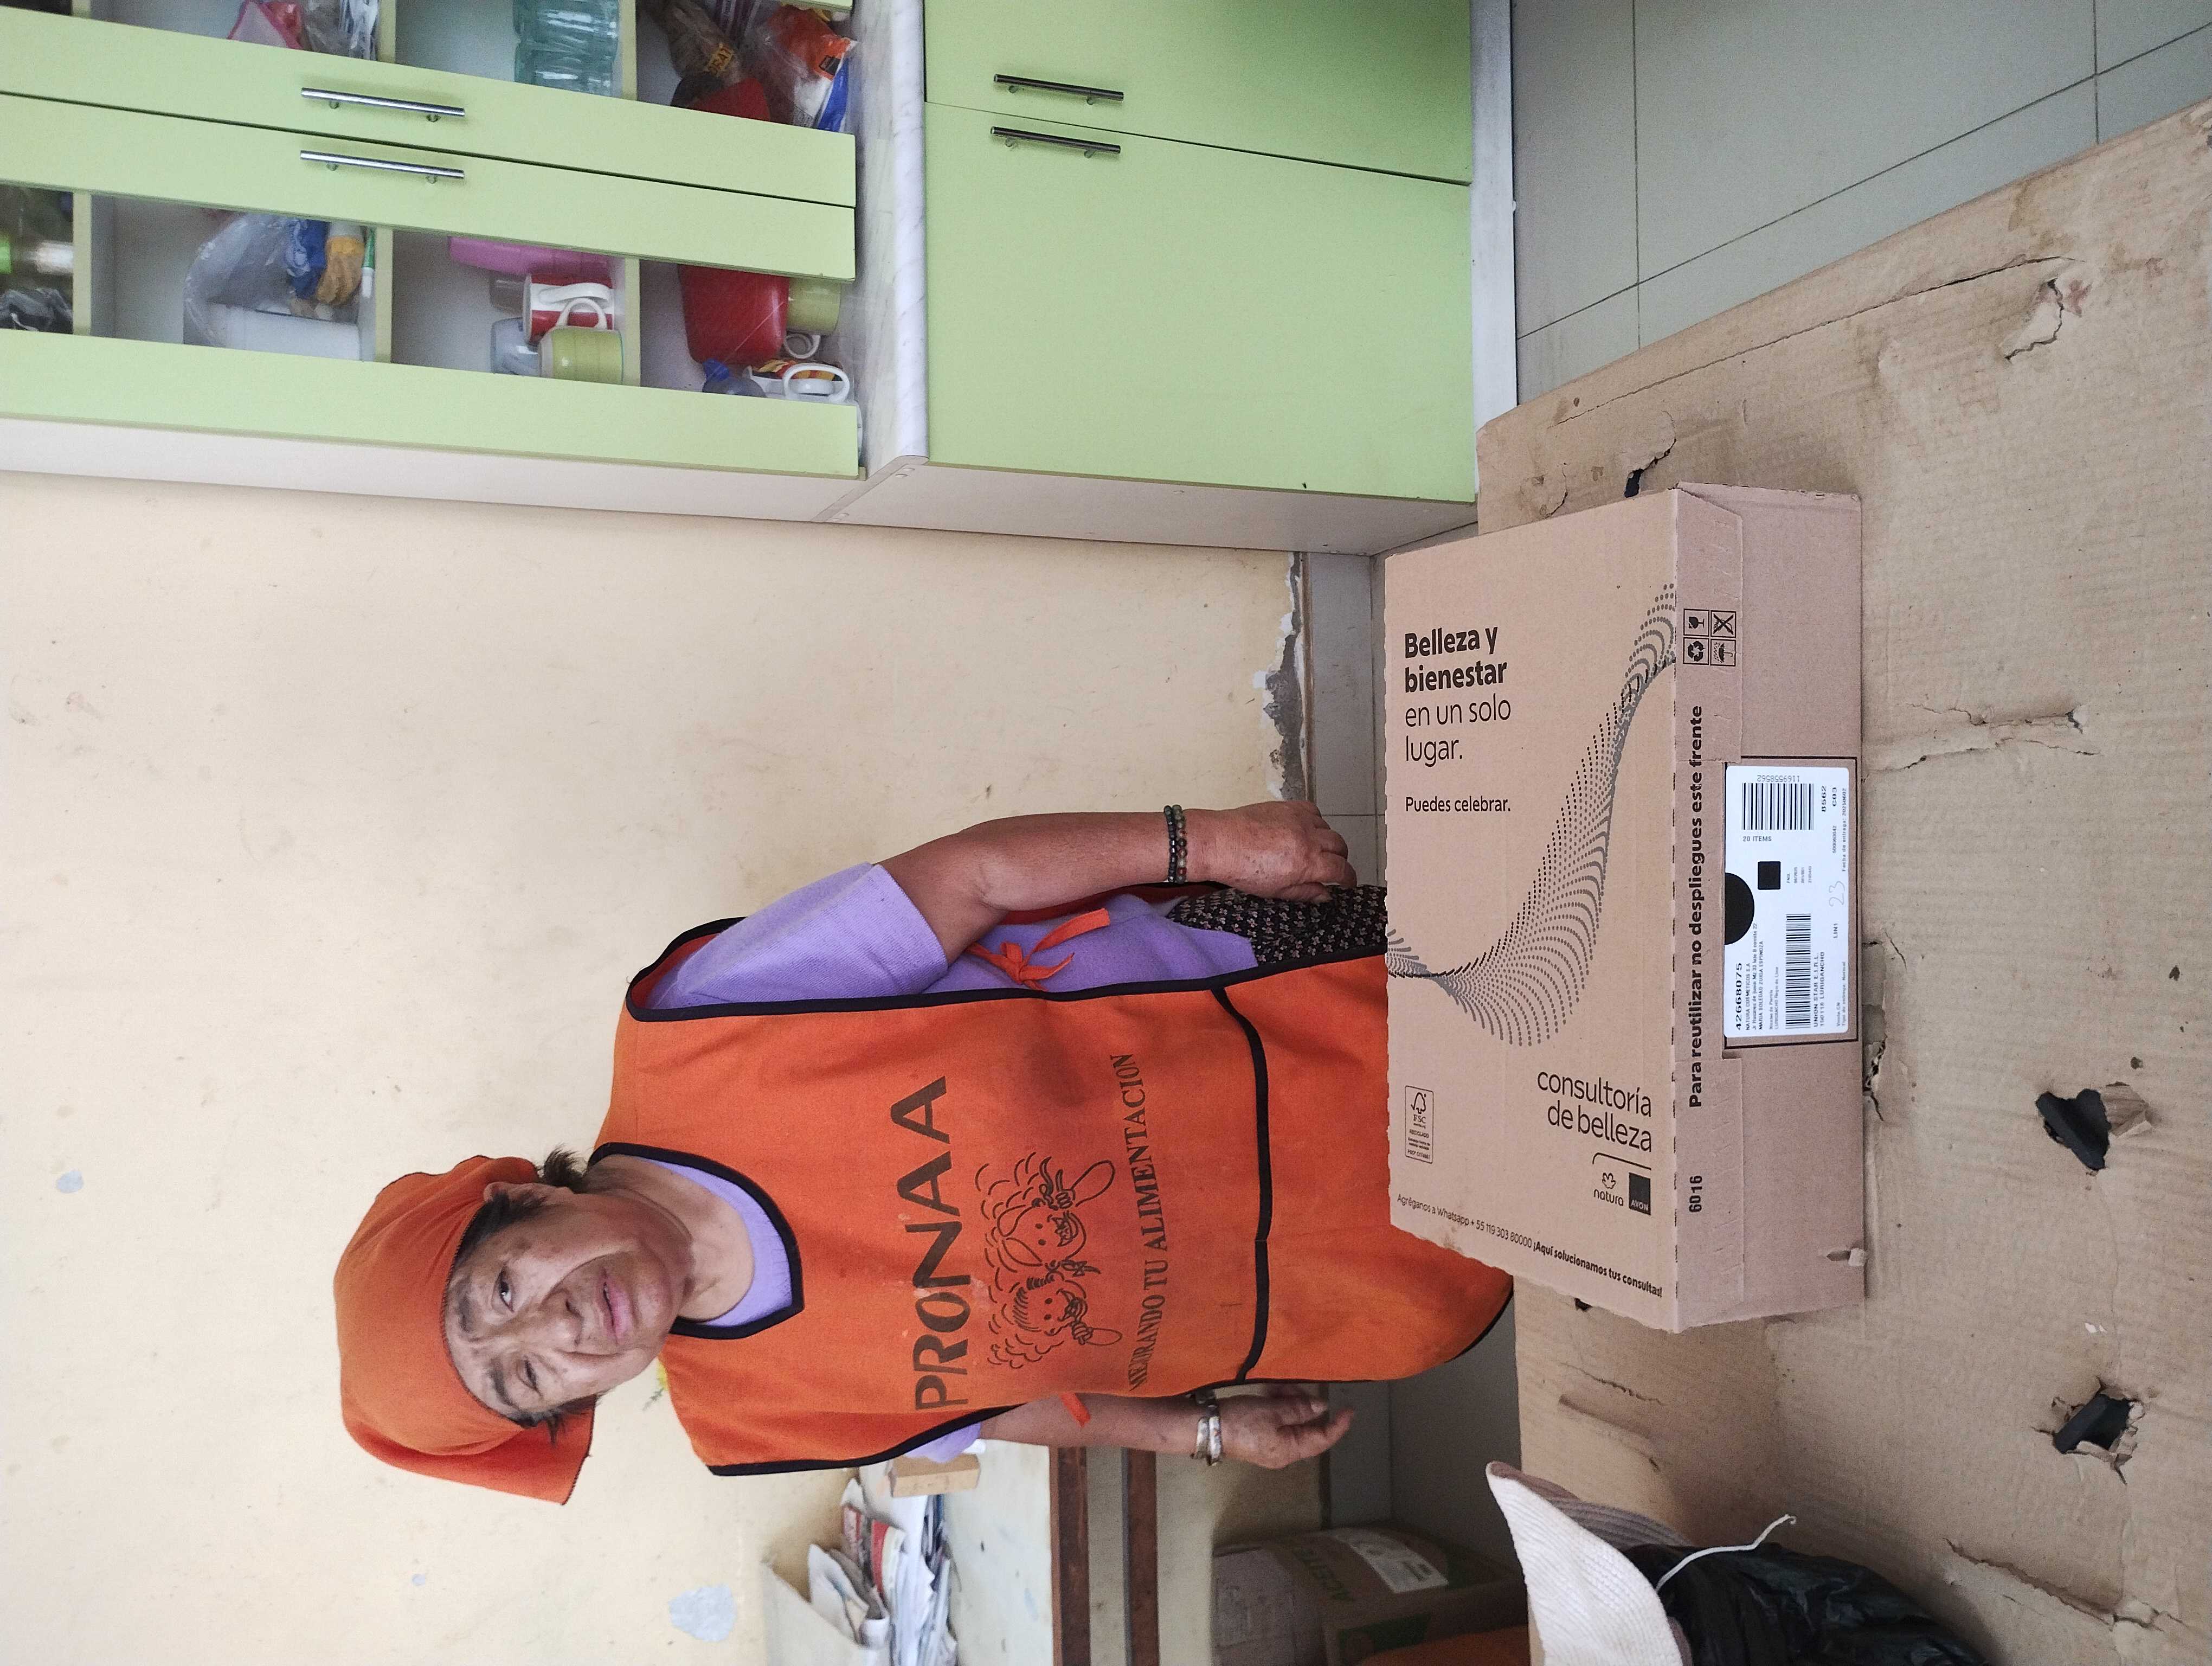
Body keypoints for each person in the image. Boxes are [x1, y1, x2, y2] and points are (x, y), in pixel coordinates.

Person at [333, 803, 1510, 1502]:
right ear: (570, 1407)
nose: (557, 1331)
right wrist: (1200, 1430)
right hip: (1357, 1276)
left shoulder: (702, 1032)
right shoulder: (753, 1421)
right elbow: (989, 1411)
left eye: (503, 1290)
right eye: (526, 1380)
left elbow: (969, 881)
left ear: (523, 1197)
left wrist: (1212, 841)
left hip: (1325, 1026)